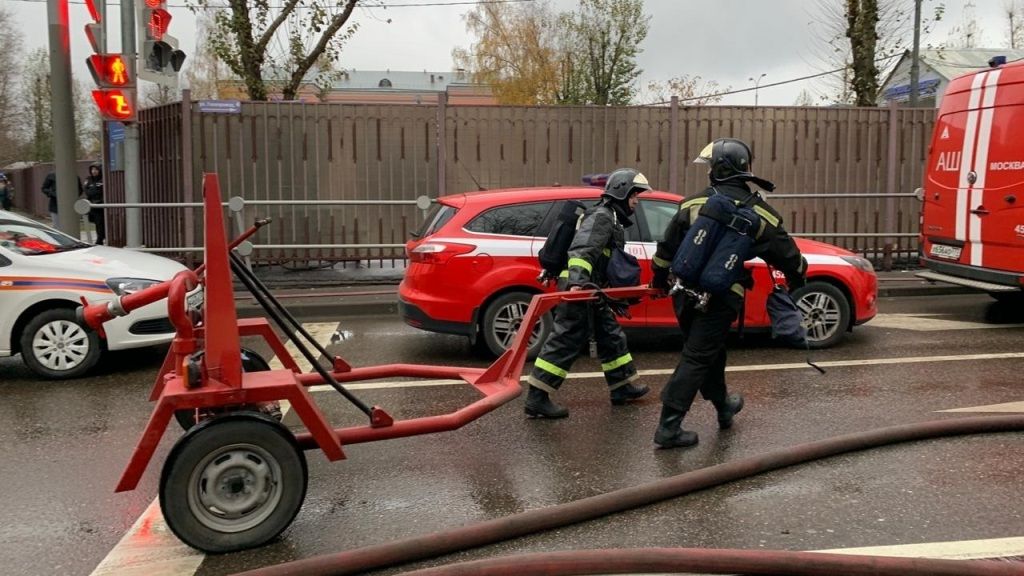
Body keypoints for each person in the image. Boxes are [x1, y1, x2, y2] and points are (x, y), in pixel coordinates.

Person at [649, 138, 807, 449]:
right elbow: (790, 258)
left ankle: (723, 407)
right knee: (698, 355)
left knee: (708, 352)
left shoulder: (691, 204)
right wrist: (796, 279)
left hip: (682, 294)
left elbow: (665, 251)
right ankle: (668, 426)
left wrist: (658, 281)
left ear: (716, 171)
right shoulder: (763, 214)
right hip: (719, 298)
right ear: (745, 169)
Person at [524, 168, 653, 419]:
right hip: (581, 288)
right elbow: (582, 251)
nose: (637, 201)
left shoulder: (611, 218)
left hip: (593, 289)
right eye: (635, 195)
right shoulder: (602, 217)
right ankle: (537, 396)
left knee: (609, 335)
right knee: (566, 339)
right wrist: (577, 283)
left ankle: (622, 386)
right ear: (621, 192)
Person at [83, 163, 105, 244]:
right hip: (93, 205)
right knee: (97, 223)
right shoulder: (88, 179)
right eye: (92, 169)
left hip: (102, 205)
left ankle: (100, 240)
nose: (94, 171)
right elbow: (87, 191)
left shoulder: (103, 179)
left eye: (96, 169)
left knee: (100, 223)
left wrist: (95, 191)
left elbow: (102, 191)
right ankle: (100, 238)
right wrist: (95, 191)